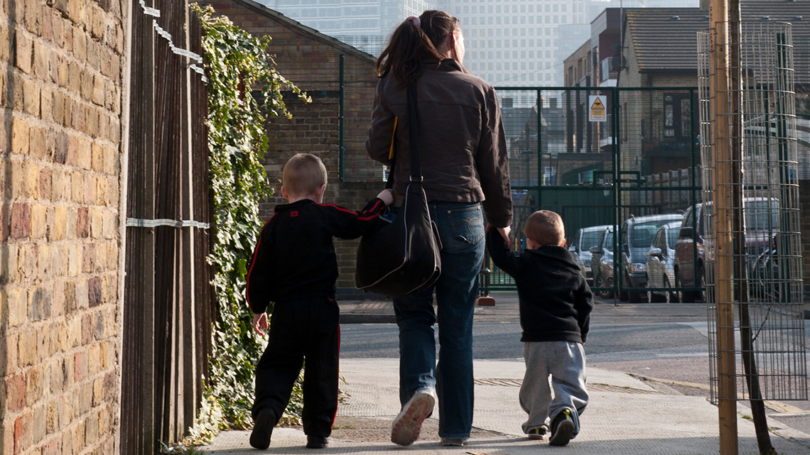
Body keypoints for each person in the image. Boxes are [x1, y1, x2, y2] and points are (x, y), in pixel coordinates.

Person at [366, 11, 512, 447]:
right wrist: (501, 220)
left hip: (413, 217)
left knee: (413, 317)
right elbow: (494, 167)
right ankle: (455, 431)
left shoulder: (394, 84)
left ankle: (419, 388)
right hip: (465, 216)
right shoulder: (479, 91)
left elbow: (377, 148)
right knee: (457, 326)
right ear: (452, 39)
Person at [245, 153, 394, 450]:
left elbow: (256, 274)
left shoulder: (272, 226)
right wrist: (382, 199)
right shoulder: (325, 215)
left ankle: (267, 411)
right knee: (322, 368)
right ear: (321, 189)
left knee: (277, 364)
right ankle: (317, 432)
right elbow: (361, 223)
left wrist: (258, 308)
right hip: (322, 308)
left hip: (287, 310)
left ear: (284, 191)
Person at [486, 211, 593, 447]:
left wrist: (495, 228)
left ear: (530, 242)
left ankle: (536, 423)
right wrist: (581, 335)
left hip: (536, 340)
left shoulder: (527, 263)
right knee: (569, 383)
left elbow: (501, 256)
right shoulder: (574, 271)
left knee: (536, 383)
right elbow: (586, 304)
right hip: (569, 339)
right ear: (564, 242)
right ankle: (565, 412)